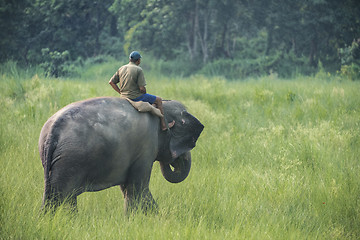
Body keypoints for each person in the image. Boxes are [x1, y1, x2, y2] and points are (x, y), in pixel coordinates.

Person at [109, 51, 175, 131]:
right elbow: (142, 88)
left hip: (123, 97)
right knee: (158, 100)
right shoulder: (138, 70)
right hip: (136, 97)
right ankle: (163, 125)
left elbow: (111, 82)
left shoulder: (121, 68)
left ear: (130, 59)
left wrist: (121, 92)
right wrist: (144, 94)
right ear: (138, 60)